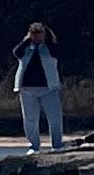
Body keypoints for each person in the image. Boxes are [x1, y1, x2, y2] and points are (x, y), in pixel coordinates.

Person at [10, 21, 64, 153]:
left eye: (39, 34)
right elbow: (16, 52)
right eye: (34, 34)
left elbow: (56, 50)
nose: (36, 36)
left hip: (49, 88)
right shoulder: (26, 48)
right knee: (30, 119)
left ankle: (57, 146)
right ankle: (34, 146)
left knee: (55, 118)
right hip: (27, 89)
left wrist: (45, 39)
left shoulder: (50, 48)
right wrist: (28, 40)